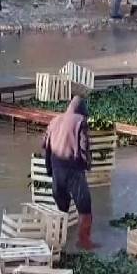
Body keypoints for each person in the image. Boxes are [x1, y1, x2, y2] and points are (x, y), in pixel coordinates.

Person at [42, 96, 97, 249]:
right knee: (85, 208)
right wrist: (87, 165)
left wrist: (49, 169)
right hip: (73, 170)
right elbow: (84, 146)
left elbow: (46, 146)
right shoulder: (80, 121)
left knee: (62, 209)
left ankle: (58, 244)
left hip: (56, 170)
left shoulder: (54, 121)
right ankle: (84, 242)